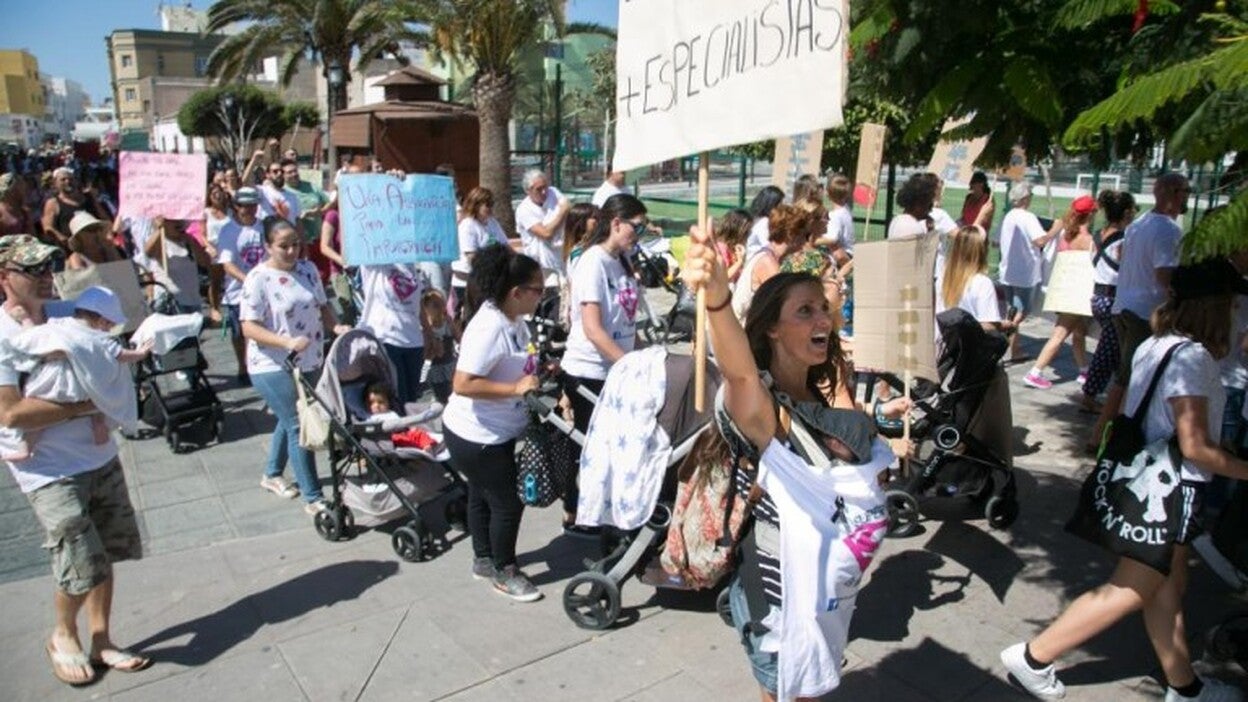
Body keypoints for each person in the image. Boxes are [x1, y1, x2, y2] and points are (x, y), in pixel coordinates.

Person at [1000, 258, 1248, 702]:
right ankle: (1034, 657)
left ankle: (1184, 686)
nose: (1235, 315)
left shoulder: (1159, 343)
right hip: (1172, 490)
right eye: (1231, 306)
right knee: (1134, 586)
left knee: (1167, 584)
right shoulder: (1192, 357)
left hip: (1152, 478)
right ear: (1213, 308)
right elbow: (1193, 447)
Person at [680, 222, 908, 702]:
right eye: (804, 311)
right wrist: (719, 300)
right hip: (778, 595)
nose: (822, 319)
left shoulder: (815, 392)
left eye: (823, 308)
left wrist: (879, 415)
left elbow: (844, 440)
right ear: (772, 328)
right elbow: (740, 374)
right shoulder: (762, 407)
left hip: (821, 594)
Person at [0, 235, 150, 686]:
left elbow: (111, 361)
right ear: (4, 276)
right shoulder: (4, 335)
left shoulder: (70, 313)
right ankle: (63, 634)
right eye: (33, 270)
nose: (47, 276)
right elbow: (10, 412)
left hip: (98, 453)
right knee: (79, 557)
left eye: (49, 266)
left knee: (106, 549)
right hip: (47, 468)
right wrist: (93, 403)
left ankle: (102, 637)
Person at [441, 243, 545, 602]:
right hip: (475, 435)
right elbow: (463, 382)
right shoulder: (489, 326)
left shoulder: (512, 319)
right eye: (538, 290)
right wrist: (515, 388)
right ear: (516, 293)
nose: (542, 296)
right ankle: (505, 569)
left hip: (494, 431)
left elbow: (517, 363)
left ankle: (483, 558)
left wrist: (538, 373)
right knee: (507, 502)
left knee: (481, 495)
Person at [241, 217, 349, 513]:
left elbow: (322, 304)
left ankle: (272, 474)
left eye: (295, 245)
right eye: (283, 246)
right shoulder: (258, 278)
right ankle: (313, 497)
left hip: (310, 358)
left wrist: (336, 328)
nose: (291, 251)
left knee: (287, 417)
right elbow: (249, 327)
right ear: (267, 247)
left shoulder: (307, 269)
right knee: (298, 423)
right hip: (272, 364)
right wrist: (285, 342)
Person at [560, 194, 646, 537]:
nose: (638, 234)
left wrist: (643, 355)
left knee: (611, 446)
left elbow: (627, 322)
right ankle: (575, 510)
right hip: (588, 370)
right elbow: (593, 329)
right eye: (635, 227)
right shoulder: (592, 262)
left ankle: (601, 508)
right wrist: (630, 365)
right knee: (587, 446)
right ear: (616, 223)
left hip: (615, 367)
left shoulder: (622, 260)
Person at [1089, 174, 1191, 451]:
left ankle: (1106, 435)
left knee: (1128, 376)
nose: (1187, 196)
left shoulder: (1139, 224)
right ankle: (1105, 438)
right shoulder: (1167, 230)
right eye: (1185, 191)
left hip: (1124, 307)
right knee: (1127, 379)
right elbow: (1164, 275)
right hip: (1145, 314)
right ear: (1172, 193)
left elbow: (1125, 257)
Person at [0, 286, 151, 461]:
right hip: (78, 384)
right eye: (110, 324)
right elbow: (121, 355)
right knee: (100, 395)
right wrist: (141, 353)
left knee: (36, 425)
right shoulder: (97, 339)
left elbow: (37, 336)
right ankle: (99, 426)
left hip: (52, 384)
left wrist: (25, 319)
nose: (109, 329)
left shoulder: (60, 324)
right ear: (101, 320)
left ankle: (25, 449)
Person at [1023, 194, 1098, 389]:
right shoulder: (1088, 240)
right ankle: (1035, 372)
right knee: (1059, 334)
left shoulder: (1067, 235)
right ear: (1090, 215)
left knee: (1079, 331)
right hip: (1077, 295)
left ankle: (1083, 370)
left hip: (1064, 291)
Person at [1079, 191, 1137, 413]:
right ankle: (1091, 395)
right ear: (1125, 213)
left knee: (1113, 349)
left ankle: (1101, 393)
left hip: (1099, 296)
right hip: (1112, 298)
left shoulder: (1098, 235)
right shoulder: (1123, 240)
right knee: (1109, 350)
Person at [997, 181, 1064, 361]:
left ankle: (1014, 349)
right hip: (1024, 274)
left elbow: (996, 241)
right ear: (1025, 198)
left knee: (1012, 309)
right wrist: (1055, 229)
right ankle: (1003, 335)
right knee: (1023, 311)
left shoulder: (1008, 216)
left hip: (1007, 272)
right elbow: (1040, 241)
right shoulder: (1027, 217)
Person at [358, 256, 436, 408]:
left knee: (413, 397)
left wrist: (428, 331)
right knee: (397, 396)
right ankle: (399, 430)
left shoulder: (409, 263)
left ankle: (410, 431)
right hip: (387, 339)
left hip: (413, 339)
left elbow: (417, 303)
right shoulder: (371, 263)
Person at [216, 187, 267, 384]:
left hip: (262, 289)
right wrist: (248, 281)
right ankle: (242, 366)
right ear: (237, 207)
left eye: (254, 205)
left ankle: (257, 365)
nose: (251, 210)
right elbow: (227, 265)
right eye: (246, 206)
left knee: (258, 329)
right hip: (237, 292)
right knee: (238, 332)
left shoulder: (263, 227)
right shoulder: (228, 231)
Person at [734, 204, 815, 322]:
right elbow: (787, 302)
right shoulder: (766, 261)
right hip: (742, 333)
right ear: (791, 234)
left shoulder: (773, 258)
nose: (806, 241)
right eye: (805, 235)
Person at [937, 225, 1015, 333]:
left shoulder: (943, 276)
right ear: (982, 250)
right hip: (968, 345)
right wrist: (1004, 325)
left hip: (943, 341)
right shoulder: (982, 283)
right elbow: (988, 325)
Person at [453, 187, 510, 321]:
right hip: (468, 283)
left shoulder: (492, 223)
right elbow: (472, 257)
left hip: (489, 281)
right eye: (487, 205)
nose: (490, 208)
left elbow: (506, 246)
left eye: (492, 204)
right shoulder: (468, 226)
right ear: (476, 205)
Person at [514, 169, 569, 285]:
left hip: (561, 257)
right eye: (539, 189)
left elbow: (567, 205)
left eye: (545, 187)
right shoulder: (524, 210)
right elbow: (545, 233)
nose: (544, 192)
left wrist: (554, 221)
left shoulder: (553, 192)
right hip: (542, 265)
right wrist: (561, 213)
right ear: (528, 191)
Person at [41, 167, 109, 248]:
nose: (68, 181)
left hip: (97, 240)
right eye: (63, 179)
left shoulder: (89, 196)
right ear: (55, 183)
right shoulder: (53, 203)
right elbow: (48, 227)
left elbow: (104, 216)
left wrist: (109, 231)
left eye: (71, 179)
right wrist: (61, 237)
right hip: (74, 246)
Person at [421, 288, 458, 405]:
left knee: (451, 393)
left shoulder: (447, 323)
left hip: (449, 365)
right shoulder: (425, 329)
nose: (441, 308)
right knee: (438, 395)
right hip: (433, 368)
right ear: (425, 309)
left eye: (442, 304)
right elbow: (426, 357)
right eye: (435, 305)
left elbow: (458, 337)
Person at [745, 185, 786, 259]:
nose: (782, 207)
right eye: (780, 204)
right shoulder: (763, 222)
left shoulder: (756, 218)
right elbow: (769, 247)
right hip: (758, 263)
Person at [716, 208, 752, 284]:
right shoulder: (721, 248)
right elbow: (723, 278)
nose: (749, 235)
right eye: (747, 232)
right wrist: (739, 262)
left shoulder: (735, 248)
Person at [258, 160, 300, 224]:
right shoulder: (262, 191)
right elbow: (245, 183)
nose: (279, 173)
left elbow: (297, 221)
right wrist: (254, 159)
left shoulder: (293, 196)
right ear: (267, 175)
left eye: (282, 171)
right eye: (275, 171)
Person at [0, 172, 34, 236]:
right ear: (11, 190)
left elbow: (32, 236)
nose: (25, 191)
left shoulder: (24, 212)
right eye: (21, 188)